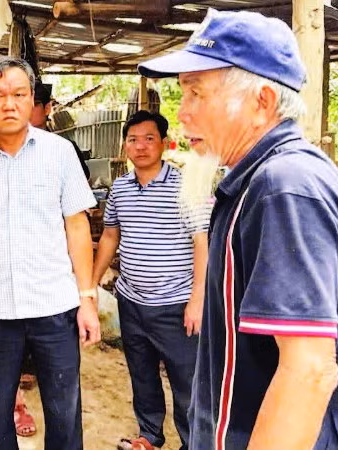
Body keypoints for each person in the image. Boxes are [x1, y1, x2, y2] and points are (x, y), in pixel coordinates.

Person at [139, 9, 338, 449]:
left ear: (261, 102)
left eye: (196, 93)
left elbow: (309, 370)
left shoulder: (283, 188)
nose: (182, 113)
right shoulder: (258, 180)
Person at [0, 55, 100, 450]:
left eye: (17, 94)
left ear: (32, 100)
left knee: (63, 409)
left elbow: (77, 226)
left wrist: (87, 299)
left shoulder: (59, 153)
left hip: (55, 306)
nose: (8, 104)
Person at [92, 110, 208, 450]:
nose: (140, 146)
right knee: (142, 376)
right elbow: (111, 236)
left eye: (149, 139)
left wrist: (197, 299)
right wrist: (91, 285)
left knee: (186, 381)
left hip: (176, 304)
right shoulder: (121, 189)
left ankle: (193, 443)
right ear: (124, 145)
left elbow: (202, 242)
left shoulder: (187, 186)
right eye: (133, 139)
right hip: (131, 302)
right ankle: (150, 436)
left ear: (164, 143)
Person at [30, 82, 91, 181]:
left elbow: (81, 184)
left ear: (47, 108)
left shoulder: (66, 148)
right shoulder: (8, 150)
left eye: (34, 105)